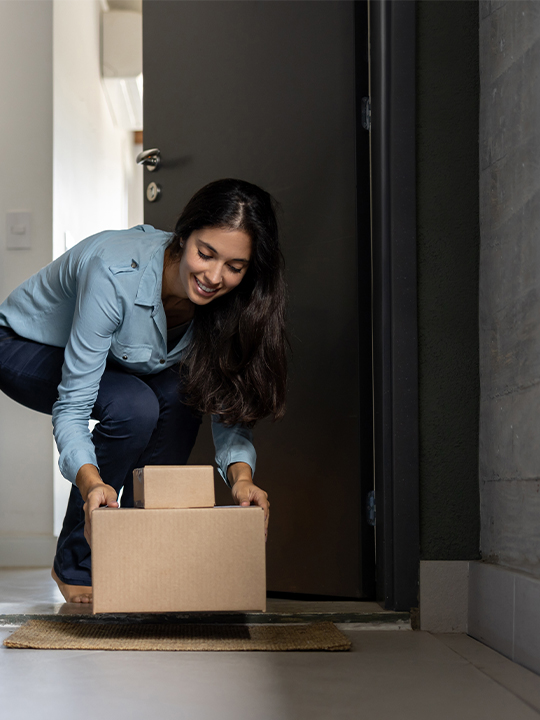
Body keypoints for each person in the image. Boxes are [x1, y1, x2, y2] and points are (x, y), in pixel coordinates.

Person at [0, 178, 287, 603]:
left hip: (116, 363)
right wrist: (92, 483)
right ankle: (78, 560)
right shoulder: (114, 272)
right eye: (205, 253)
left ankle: (138, 548)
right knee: (134, 406)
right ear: (183, 235)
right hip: (24, 346)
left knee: (186, 392)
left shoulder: (233, 301)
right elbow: (75, 404)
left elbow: (226, 400)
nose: (213, 276)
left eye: (234, 266)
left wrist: (242, 479)